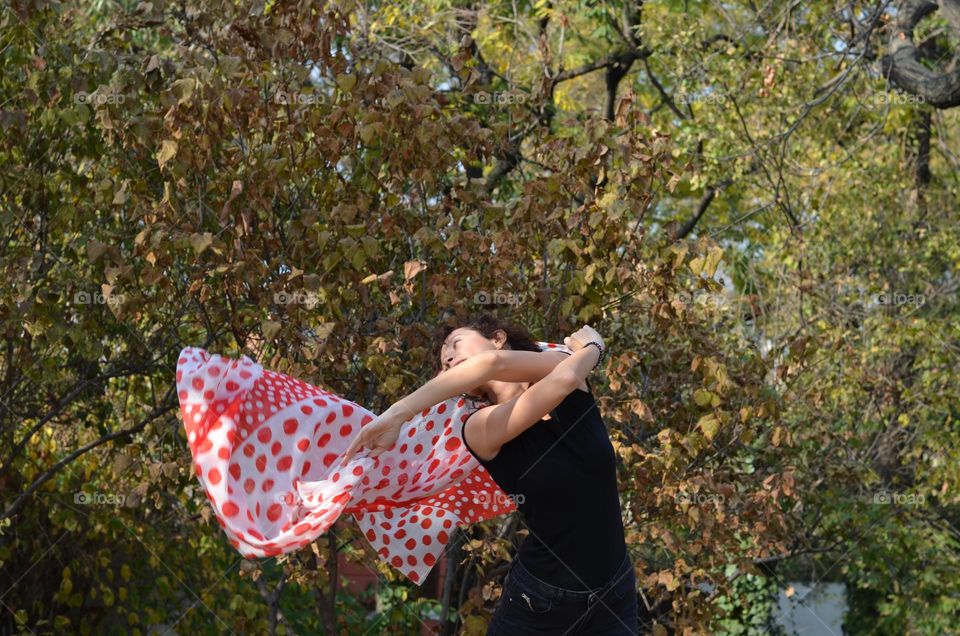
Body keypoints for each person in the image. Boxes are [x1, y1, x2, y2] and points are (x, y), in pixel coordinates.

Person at [341, 313, 638, 634]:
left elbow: (500, 365)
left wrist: (581, 356)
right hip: (539, 604)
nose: (449, 358)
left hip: (615, 592)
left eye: (454, 344)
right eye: (444, 365)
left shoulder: (563, 364)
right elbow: (556, 380)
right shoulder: (477, 429)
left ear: (497, 338)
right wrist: (594, 347)